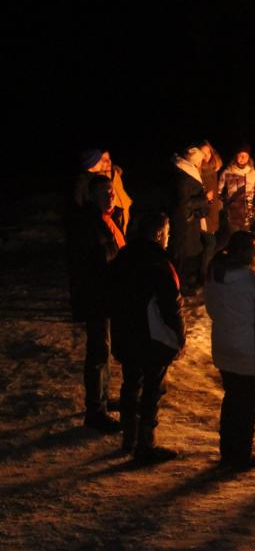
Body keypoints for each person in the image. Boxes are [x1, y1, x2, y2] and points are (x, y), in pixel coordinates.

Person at [107, 212, 185, 462]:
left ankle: (128, 436)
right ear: (159, 234)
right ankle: (146, 443)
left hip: (126, 333)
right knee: (152, 387)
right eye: (168, 233)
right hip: (153, 338)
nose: (169, 238)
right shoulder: (160, 264)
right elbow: (172, 304)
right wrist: (179, 336)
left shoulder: (124, 257)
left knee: (131, 382)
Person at [205, 231, 255, 470]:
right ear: (247, 253)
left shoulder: (214, 275)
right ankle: (242, 455)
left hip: (225, 347)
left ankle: (228, 452)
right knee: (248, 407)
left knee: (232, 399)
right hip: (252, 352)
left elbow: (212, 309)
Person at [67, 175, 125, 433]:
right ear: (93, 196)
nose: (110, 195)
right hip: (97, 297)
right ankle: (95, 411)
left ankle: (103, 397)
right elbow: (89, 266)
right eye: (103, 192)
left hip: (110, 295)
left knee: (106, 350)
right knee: (98, 352)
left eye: (111, 191)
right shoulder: (89, 225)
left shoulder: (110, 219)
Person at [170, 143, 208, 294]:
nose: (201, 163)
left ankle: (182, 284)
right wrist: (203, 200)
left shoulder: (188, 173)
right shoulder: (184, 178)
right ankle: (178, 287)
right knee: (181, 255)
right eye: (199, 160)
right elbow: (184, 203)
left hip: (189, 220)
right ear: (193, 161)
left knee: (185, 255)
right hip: (184, 222)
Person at [218, 144, 255, 234]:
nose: (242, 158)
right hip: (231, 214)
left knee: (245, 239)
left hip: (247, 214)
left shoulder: (254, 173)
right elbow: (218, 191)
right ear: (236, 156)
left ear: (249, 157)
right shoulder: (227, 172)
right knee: (233, 239)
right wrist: (225, 205)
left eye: (245, 156)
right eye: (240, 155)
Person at [199, 141, 224, 275]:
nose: (206, 156)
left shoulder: (213, 169)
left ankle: (204, 272)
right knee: (209, 244)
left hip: (213, 211)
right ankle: (203, 275)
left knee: (209, 244)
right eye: (202, 153)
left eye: (208, 152)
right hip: (204, 212)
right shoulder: (199, 172)